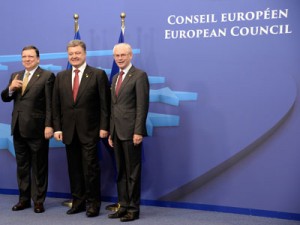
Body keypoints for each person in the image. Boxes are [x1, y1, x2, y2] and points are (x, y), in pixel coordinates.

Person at [52, 40, 110, 217]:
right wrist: (57, 128)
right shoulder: (61, 76)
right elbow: (56, 105)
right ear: (68, 56)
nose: (74, 56)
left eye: (77, 53)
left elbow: (104, 105)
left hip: (90, 130)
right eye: (71, 54)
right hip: (68, 131)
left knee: (91, 169)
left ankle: (93, 204)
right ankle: (78, 202)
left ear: (84, 54)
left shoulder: (97, 74)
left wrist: (104, 127)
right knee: (74, 169)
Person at [1, 45, 55, 213]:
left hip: (38, 129)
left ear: (38, 59)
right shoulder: (15, 75)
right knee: (22, 167)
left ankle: (38, 201)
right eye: (24, 56)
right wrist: (11, 88)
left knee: (39, 167)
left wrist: (49, 125)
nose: (27, 59)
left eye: (30, 56)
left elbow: (50, 104)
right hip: (18, 128)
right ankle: (23, 200)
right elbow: (4, 97)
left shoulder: (47, 76)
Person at [108, 43, 149, 222]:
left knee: (132, 173)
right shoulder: (116, 77)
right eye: (117, 55)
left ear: (131, 56)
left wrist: (138, 131)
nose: (120, 58)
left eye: (123, 55)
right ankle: (123, 206)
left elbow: (142, 106)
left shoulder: (139, 75)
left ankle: (133, 209)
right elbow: (113, 107)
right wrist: (111, 132)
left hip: (132, 133)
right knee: (121, 172)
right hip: (116, 133)